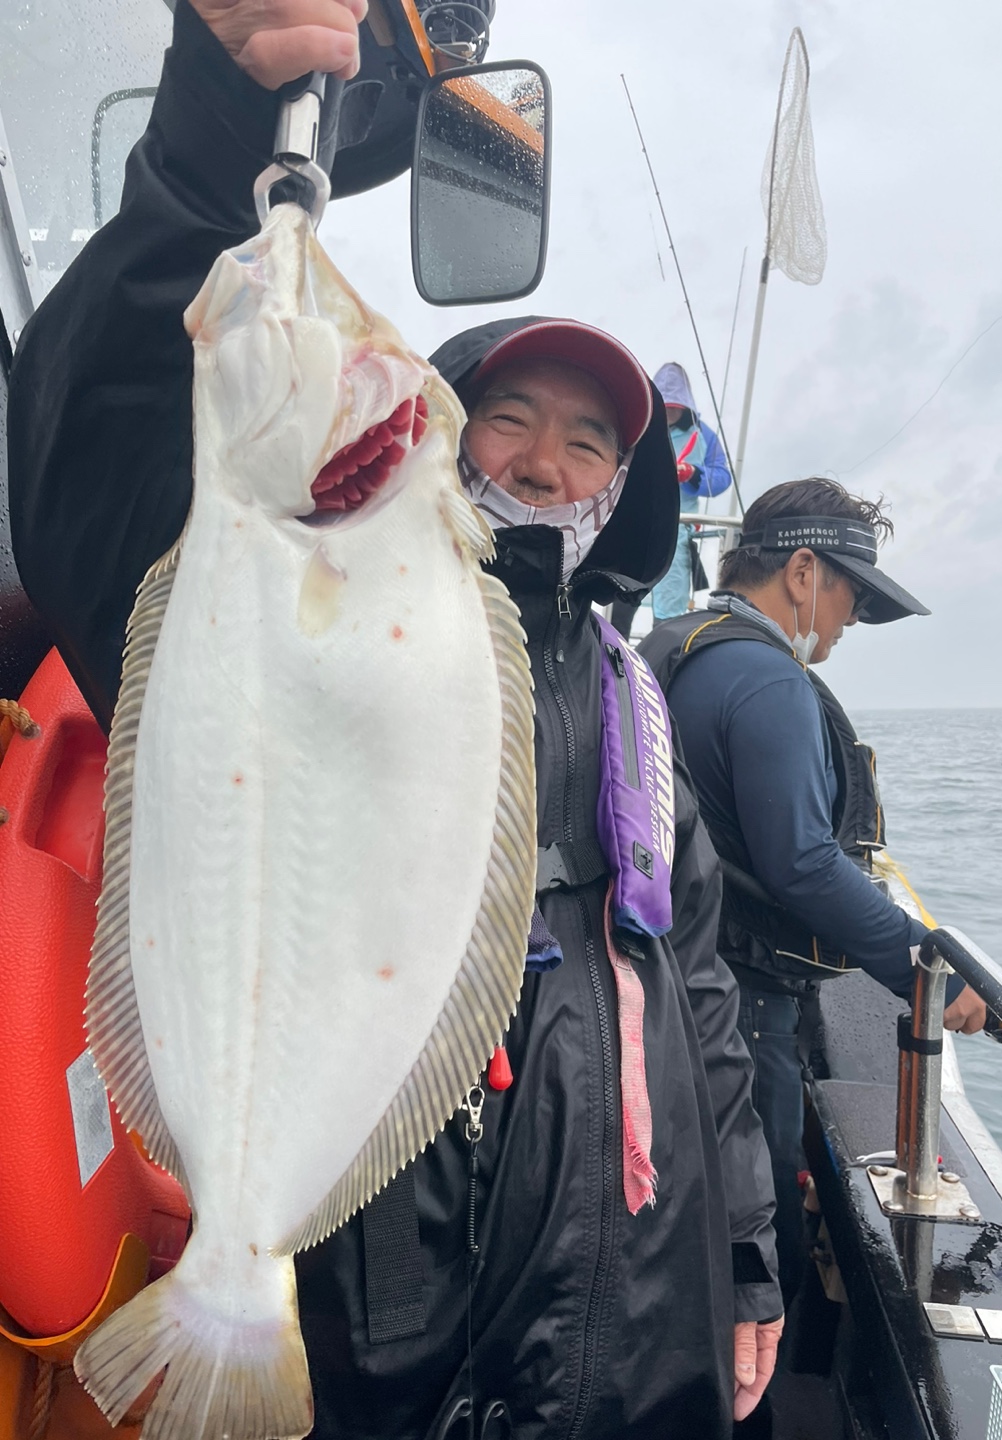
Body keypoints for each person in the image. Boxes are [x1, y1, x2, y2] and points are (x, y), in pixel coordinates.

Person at [6, 2, 783, 1435]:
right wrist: (220, 126)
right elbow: (94, 434)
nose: (544, 463)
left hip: (638, 1312)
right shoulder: (270, 575)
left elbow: (701, 984)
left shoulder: (635, 700)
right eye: (510, 418)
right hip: (403, 1302)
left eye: (590, 441)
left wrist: (741, 1250)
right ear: (442, 430)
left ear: (622, 488)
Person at [638, 478, 987, 1306]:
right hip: (743, 998)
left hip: (669, 975)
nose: (849, 621)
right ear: (801, 572)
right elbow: (803, 864)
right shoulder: (769, 681)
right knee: (755, 1230)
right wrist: (930, 972)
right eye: (850, 595)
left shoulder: (674, 647)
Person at [648, 362, 732, 624]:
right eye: (665, 405)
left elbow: (723, 477)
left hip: (678, 528)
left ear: (686, 406)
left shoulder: (703, 434)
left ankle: (661, 645)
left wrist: (693, 474)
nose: (670, 411)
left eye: (676, 405)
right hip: (636, 523)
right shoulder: (639, 426)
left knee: (670, 602)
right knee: (621, 593)